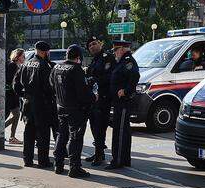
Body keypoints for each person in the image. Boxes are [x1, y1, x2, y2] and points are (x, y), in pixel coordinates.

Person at [50, 44, 96, 178]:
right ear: (78, 57)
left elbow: (51, 85)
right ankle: (74, 167)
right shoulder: (76, 69)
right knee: (75, 138)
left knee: (61, 135)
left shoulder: (56, 67)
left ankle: (58, 165)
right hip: (75, 109)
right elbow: (82, 93)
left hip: (61, 106)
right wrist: (93, 97)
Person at [13, 41, 53, 168]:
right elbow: (49, 87)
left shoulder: (25, 63)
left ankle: (27, 159)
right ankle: (43, 161)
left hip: (27, 103)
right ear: (45, 51)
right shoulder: (44, 65)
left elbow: (16, 84)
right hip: (41, 103)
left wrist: (23, 95)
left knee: (28, 132)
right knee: (43, 133)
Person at [106, 40, 139, 170]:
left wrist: (125, 91)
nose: (114, 53)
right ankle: (124, 159)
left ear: (122, 49)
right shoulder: (122, 61)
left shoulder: (128, 61)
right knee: (123, 131)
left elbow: (135, 76)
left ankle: (118, 160)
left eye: (116, 50)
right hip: (119, 101)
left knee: (119, 132)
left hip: (123, 102)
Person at [85, 36, 116, 166]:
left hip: (103, 98)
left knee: (100, 126)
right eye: (90, 45)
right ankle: (99, 152)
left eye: (94, 44)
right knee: (93, 126)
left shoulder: (107, 58)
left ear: (100, 44)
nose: (92, 46)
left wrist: (94, 79)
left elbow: (109, 76)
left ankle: (100, 154)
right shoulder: (94, 61)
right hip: (93, 98)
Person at [5, 49, 24, 145]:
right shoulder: (12, 65)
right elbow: (11, 81)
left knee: (14, 115)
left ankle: (12, 137)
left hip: (13, 94)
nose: (24, 58)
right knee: (16, 115)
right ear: (17, 56)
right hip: (11, 95)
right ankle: (1, 130)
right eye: (22, 56)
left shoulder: (16, 65)